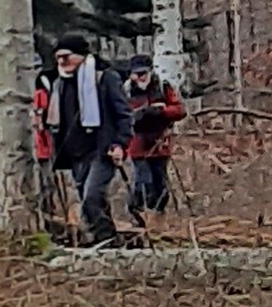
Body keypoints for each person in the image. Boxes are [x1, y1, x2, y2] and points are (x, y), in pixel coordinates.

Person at [43, 37, 128, 248]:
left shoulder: (105, 78)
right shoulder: (58, 83)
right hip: (75, 154)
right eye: (58, 58)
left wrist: (119, 143)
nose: (62, 62)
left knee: (92, 197)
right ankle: (107, 241)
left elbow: (124, 114)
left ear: (81, 56)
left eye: (66, 56)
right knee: (90, 201)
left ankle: (106, 241)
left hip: (102, 150)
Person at [124, 58, 185, 226]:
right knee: (143, 182)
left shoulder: (163, 88)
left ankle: (157, 220)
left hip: (160, 143)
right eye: (136, 74)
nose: (140, 77)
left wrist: (162, 111)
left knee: (161, 185)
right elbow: (121, 114)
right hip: (137, 143)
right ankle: (138, 216)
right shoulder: (126, 91)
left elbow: (179, 110)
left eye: (143, 73)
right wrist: (138, 115)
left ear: (151, 72)